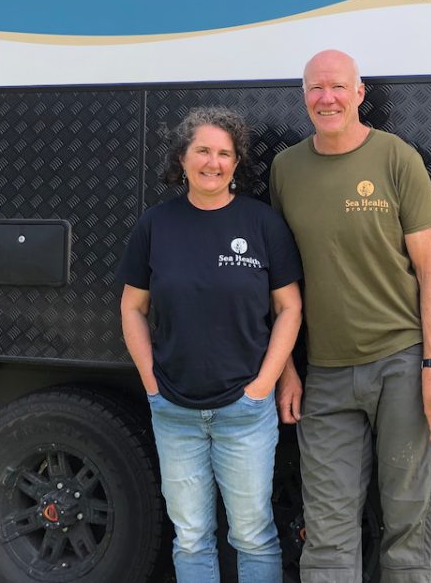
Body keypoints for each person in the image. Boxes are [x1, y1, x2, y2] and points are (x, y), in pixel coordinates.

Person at [269, 49, 431, 583]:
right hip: (325, 376)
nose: (326, 98)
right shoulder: (286, 169)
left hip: (401, 365)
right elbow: (282, 282)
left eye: (337, 87)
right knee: (328, 537)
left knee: (408, 527)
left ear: (359, 94)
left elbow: (430, 271)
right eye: (314, 88)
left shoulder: (397, 158)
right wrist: (287, 369)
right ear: (304, 96)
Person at [119, 106, 303, 583]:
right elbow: (132, 307)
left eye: (224, 153)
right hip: (174, 409)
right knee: (192, 535)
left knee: (253, 534)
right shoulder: (156, 224)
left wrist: (264, 383)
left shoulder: (262, 224)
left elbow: (290, 309)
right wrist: (151, 382)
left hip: (245, 409)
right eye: (202, 150)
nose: (213, 162)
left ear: (237, 163)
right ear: (182, 157)